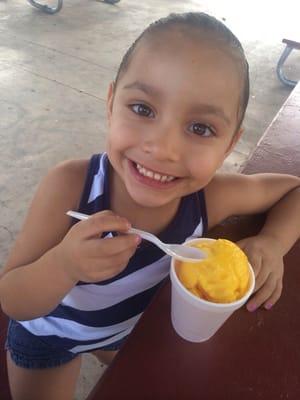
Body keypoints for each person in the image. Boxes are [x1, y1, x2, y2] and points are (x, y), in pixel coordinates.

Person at [0, 12, 300, 400]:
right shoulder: (71, 186)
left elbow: (294, 191)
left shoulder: (210, 198)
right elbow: (13, 299)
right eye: (142, 109)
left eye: (200, 128)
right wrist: (64, 265)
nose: (162, 149)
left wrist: (274, 242)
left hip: (125, 329)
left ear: (229, 144)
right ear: (111, 104)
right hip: (49, 337)